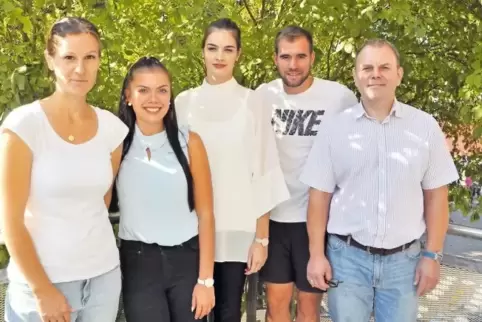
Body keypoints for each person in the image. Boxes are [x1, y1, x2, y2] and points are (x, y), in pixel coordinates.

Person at [300, 39, 459, 322]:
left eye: (385, 67)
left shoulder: (424, 127)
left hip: (404, 264)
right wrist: (316, 255)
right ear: (356, 76)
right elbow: (319, 196)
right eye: (368, 67)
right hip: (347, 260)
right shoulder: (335, 129)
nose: (376, 73)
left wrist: (433, 256)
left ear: (399, 74)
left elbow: (436, 196)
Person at [0, 17, 128, 322]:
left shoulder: (112, 129)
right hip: (42, 285)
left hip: (102, 280)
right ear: (50, 59)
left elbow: (102, 202)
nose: (80, 69)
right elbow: (10, 222)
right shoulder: (23, 126)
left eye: (89, 57)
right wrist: (42, 289)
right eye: (69, 57)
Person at [175, 18, 289, 322]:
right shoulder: (182, 103)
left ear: (238, 54)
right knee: (192, 314)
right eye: (212, 48)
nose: (219, 56)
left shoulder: (253, 102)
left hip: (238, 230)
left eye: (228, 49)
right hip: (190, 231)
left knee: (228, 313)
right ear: (202, 52)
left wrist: (261, 239)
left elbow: (263, 170)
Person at [255, 26, 358, 322]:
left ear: (312, 57)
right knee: (276, 307)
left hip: (316, 221)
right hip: (273, 218)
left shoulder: (338, 97)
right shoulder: (263, 96)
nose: (293, 64)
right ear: (275, 59)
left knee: (309, 308)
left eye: (301, 56)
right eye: (286, 56)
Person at [109, 56, 215, 322]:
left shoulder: (189, 142)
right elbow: (98, 208)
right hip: (139, 263)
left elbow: (206, 215)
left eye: (162, 90)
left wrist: (206, 281)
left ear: (170, 96)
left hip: (187, 263)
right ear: (128, 96)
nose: (153, 99)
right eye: (143, 90)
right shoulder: (116, 144)